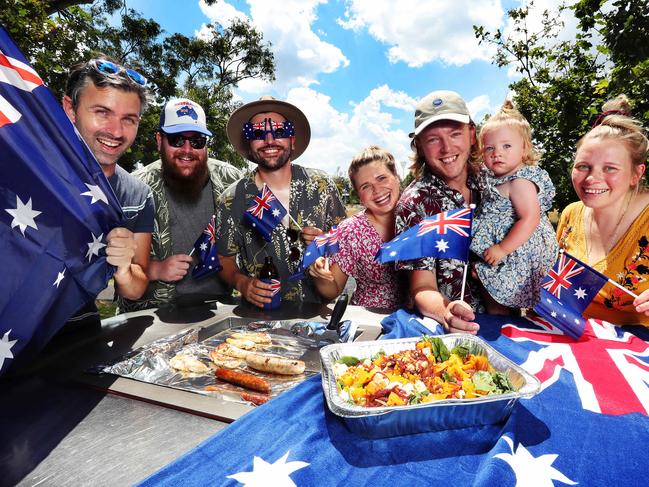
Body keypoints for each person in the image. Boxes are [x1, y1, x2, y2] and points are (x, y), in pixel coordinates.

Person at [216, 96, 346, 308]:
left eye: (279, 131)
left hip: (316, 317)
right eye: (257, 133)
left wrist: (326, 243)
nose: (269, 141)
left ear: (292, 140)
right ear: (249, 144)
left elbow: (345, 245)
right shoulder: (231, 199)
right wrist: (242, 283)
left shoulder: (323, 187)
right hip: (259, 320)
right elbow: (224, 259)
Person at [122, 98, 242, 311]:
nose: (187, 150)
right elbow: (111, 261)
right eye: (176, 140)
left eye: (197, 141)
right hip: (152, 313)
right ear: (159, 140)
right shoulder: (135, 187)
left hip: (218, 308)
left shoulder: (231, 179)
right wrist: (156, 269)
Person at [61, 55, 154, 326]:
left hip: (80, 335)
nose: (115, 131)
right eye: (102, 112)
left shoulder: (137, 195)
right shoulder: (30, 170)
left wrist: (125, 268)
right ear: (70, 109)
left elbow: (136, 289)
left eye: (129, 119)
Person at [394, 90, 483, 334]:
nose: (446, 148)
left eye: (455, 134)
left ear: (472, 135)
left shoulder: (497, 181)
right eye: (433, 139)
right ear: (419, 146)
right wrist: (447, 313)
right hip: (450, 332)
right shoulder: (415, 203)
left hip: (507, 324)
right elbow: (422, 287)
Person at [557, 94, 649, 326]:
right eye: (583, 166)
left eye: (610, 168)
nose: (592, 178)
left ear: (636, 174)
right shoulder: (570, 214)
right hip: (570, 341)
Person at [470, 101, 558, 314]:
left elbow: (530, 218)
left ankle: (503, 324)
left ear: (525, 148)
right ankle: (503, 320)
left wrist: (502, 249)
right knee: (494, 293)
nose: (497, 153)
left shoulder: (520, 181)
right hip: (507, 251)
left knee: (498, 292)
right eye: (489, 148)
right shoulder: (497, 179)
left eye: (506, 146)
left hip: (517, 251)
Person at [309, 146, 407, 309]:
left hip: (420, 321)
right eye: (365, 186)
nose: (377, 190)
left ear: (397, 177)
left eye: (382, 178)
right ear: (358, 196)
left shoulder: (420, 215)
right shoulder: (350, 230)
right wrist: (320, 275)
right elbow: (333, 290)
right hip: (370, 319)